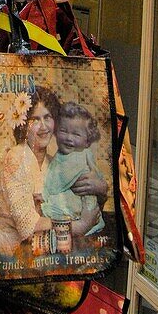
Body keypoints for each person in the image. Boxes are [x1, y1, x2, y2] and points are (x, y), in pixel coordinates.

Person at [0, 88, 107, 256]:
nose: (43, 126)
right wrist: (81, 226)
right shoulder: (16, 158)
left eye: (48, 117)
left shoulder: (53, 163)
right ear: (24, 124)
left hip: (44, 250)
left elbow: (80, 203)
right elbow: (27, 227)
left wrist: (100, 188)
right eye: (35, 120)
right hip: (10, 252)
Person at [41, 101, 106, 238]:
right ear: (56, 133)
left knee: (48, 207)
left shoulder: (77, 157)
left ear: (87, 141)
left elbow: (54, 185)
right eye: (63, 131)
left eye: (76, 134)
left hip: (79, 213)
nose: (69, 138)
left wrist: (45, 196)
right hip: (78, 215)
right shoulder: (65, 155)